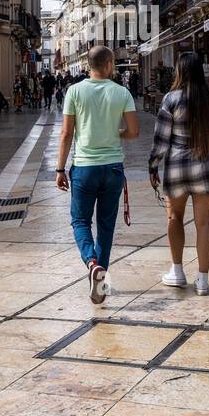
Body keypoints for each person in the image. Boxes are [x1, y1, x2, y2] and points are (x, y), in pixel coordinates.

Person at [56, 45, 139, 304]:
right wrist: (117, 134)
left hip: (84, 167)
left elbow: (67, 133)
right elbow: (134, 132)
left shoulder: (74, 91)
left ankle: (92, 265)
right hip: (113, 167)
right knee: (105, 226)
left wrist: (60, 169)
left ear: (88, 65)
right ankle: (100, 281)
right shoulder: (122, 92)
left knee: (80, 221)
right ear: (109, 64)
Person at [149, 52, 209, 297]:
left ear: (180, 71)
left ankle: (177, 271)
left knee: (174, 218)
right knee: (204, 222)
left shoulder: (171, 99)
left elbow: (161, 140)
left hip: (177, 167)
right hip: (208, 166)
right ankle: (203, 279)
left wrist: (153, 166)